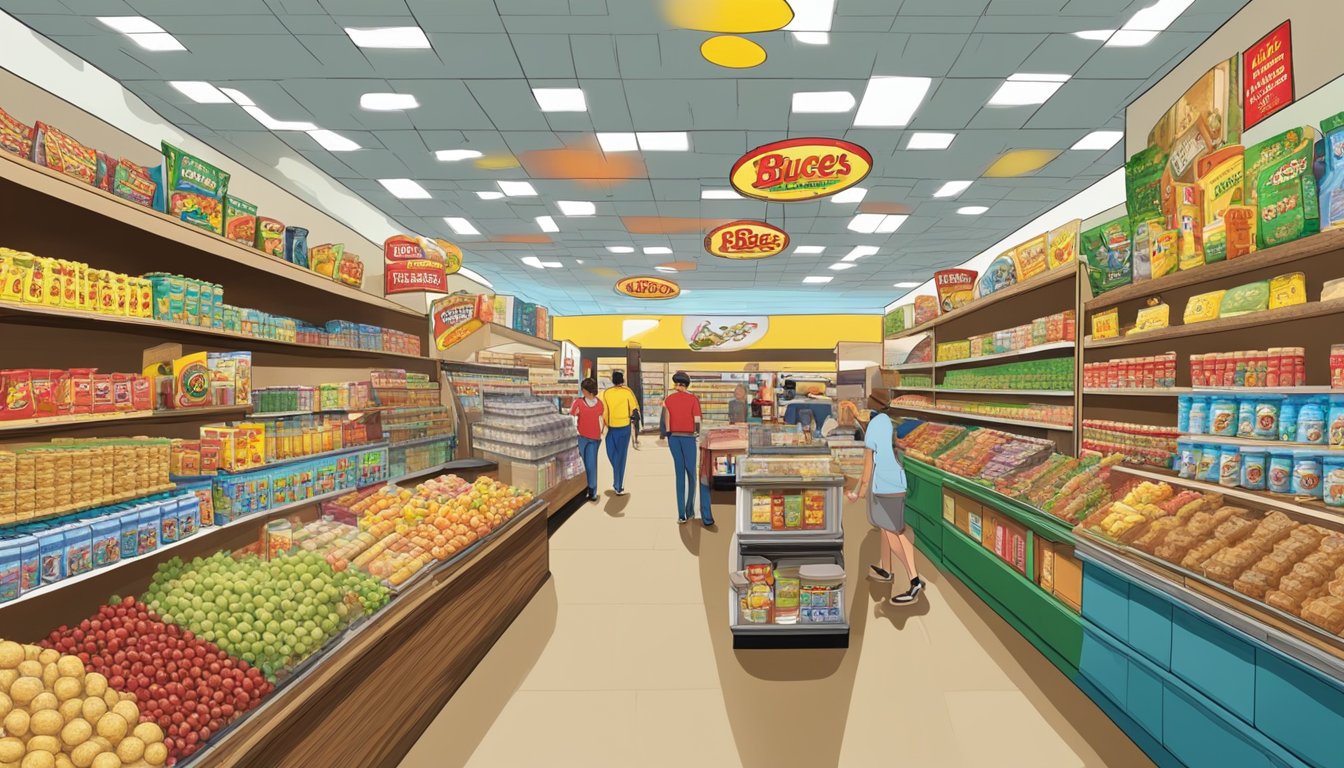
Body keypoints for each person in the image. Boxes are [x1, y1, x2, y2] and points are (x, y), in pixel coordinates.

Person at [846, 412, 924, 604]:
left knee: (894, 533)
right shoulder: (891, 424)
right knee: (886, 528)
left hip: (884, 489)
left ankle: (914, 581)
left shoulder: (873, 429)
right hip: (896, 485)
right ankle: (887, 570)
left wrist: (858, 494)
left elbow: (867, 471)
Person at [661, 370, 711, 526]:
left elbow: (666, 422)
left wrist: (668, 436)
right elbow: (697, 420)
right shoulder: (693, 399)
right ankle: (690, 510)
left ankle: (681, 513)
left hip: (674, 438)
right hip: (689, 438)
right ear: (687, 384)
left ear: (676, 384)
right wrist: (698, 434)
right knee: (692, 474)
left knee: (679, 474)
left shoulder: (668, 399)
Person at [600, 370, 640, 496]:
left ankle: (618, 485)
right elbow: (634, 408)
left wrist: (603, 426)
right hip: (624, 428)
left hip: (611, 428)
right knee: (621, 457)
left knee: (611, 453)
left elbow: (602, 409)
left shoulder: (606, 393)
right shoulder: (627, 392)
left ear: (613, 380)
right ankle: (618, 480)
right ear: (622, 380)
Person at [570, 378, 604, 503]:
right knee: (580, 465)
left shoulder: (599, 404)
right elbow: (572, 418)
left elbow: (601, 420)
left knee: (590, 465)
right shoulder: (578, 403)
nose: (581, 391)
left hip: (593, 439)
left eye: (583, 389)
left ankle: (592, 490)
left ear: (588, 391)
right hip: (581, 437)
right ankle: (583, 490)